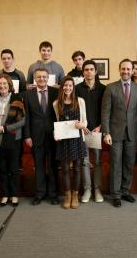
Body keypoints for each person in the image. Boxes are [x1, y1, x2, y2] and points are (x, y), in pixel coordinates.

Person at [101, 58, 137, 208]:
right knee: (116, 163)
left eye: (128, 69)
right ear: (119, 70)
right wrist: (106, 132)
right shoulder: (110, 88)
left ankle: (126, 191)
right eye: (123, 69)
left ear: (133, 71)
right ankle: (116, 194)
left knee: (129, 163)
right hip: (115, 133)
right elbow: (105, 113)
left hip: (132, 133)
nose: (126, 71)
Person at [23, 68, 60, 206]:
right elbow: (26, 117)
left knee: (52, 166)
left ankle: (53, 194)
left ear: (48, 78)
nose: (42, 79)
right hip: (35, 136)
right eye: (39, 77)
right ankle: (39, 193)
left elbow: (59, 115)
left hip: (53, 136)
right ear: (34, 78)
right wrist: (27, 136)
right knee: (38, 166)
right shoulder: (27, 95)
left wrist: (60, 133)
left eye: (44, 77)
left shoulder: (56, 93)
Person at [0, 74, 25, 207]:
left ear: (9, 85)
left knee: (14, 168)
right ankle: (5, 194)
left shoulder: (17, 98)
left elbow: (23, 121)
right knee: (3, 168)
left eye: (5, 83)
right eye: (0, 84)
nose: (2, 86)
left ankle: (14, 194)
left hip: (12, 138)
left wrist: (5, 129)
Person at [53, 76, 87, 209]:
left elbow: (85, 121)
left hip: (77, 138)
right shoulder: (56, 104)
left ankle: (75, 195)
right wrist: (55, 133)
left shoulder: (80, 101)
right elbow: (55, 122)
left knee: (77, 169)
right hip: (63, 140)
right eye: (65, 85)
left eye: (70, 86)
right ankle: (67, 195)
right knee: (65, 169)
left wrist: (82, 125)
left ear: (73, 87)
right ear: (62, 87)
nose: (68, 88)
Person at [75, 60, 106, 203]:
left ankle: (97, 189)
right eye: (86, 69)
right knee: (85, 161)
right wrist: (82, 125)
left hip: (97, 130)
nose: (88, 72)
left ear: (95, 71)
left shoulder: (103, 88)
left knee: (98, 161)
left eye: (91, 69)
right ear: (83, 72)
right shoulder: (77, 89)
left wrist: (100, 126)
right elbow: (75, 109)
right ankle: (87, 190)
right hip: (83, 131)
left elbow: (106, 110)